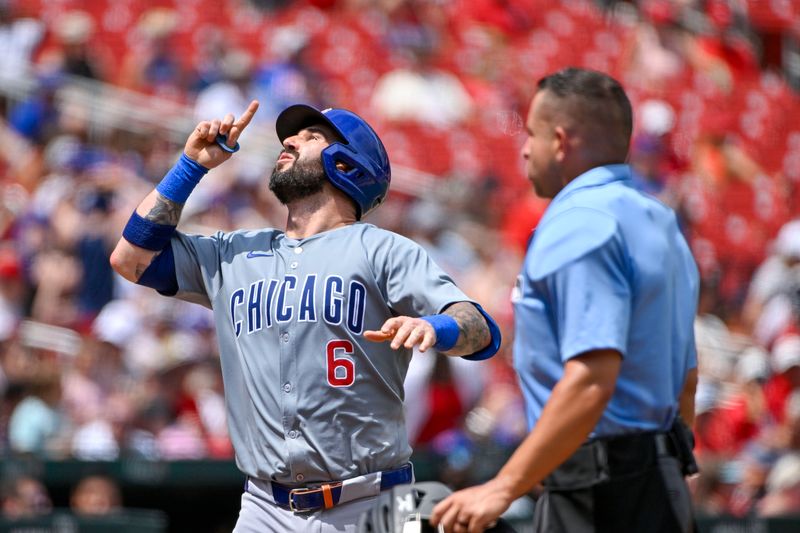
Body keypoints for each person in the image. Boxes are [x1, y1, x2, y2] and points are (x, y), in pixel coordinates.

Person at [109, 100, 501, 532]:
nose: (291, 140)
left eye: (312, 136)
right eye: (292, 136)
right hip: (263, 507)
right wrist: (191, 166)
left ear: (348, 164)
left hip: (375, 502)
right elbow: (131, 259)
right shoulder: (234, 253)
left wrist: (435, 326)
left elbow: (480, 329)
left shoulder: (383, 249)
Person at [430, 67, 700, 532]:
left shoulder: (579, 222)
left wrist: (504, 485)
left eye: (531, 133)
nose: (524, 147)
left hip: (599, 492)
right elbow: (687, 381)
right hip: (659, 479)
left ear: (559, 140)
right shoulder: (659, 221)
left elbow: (593, 376)